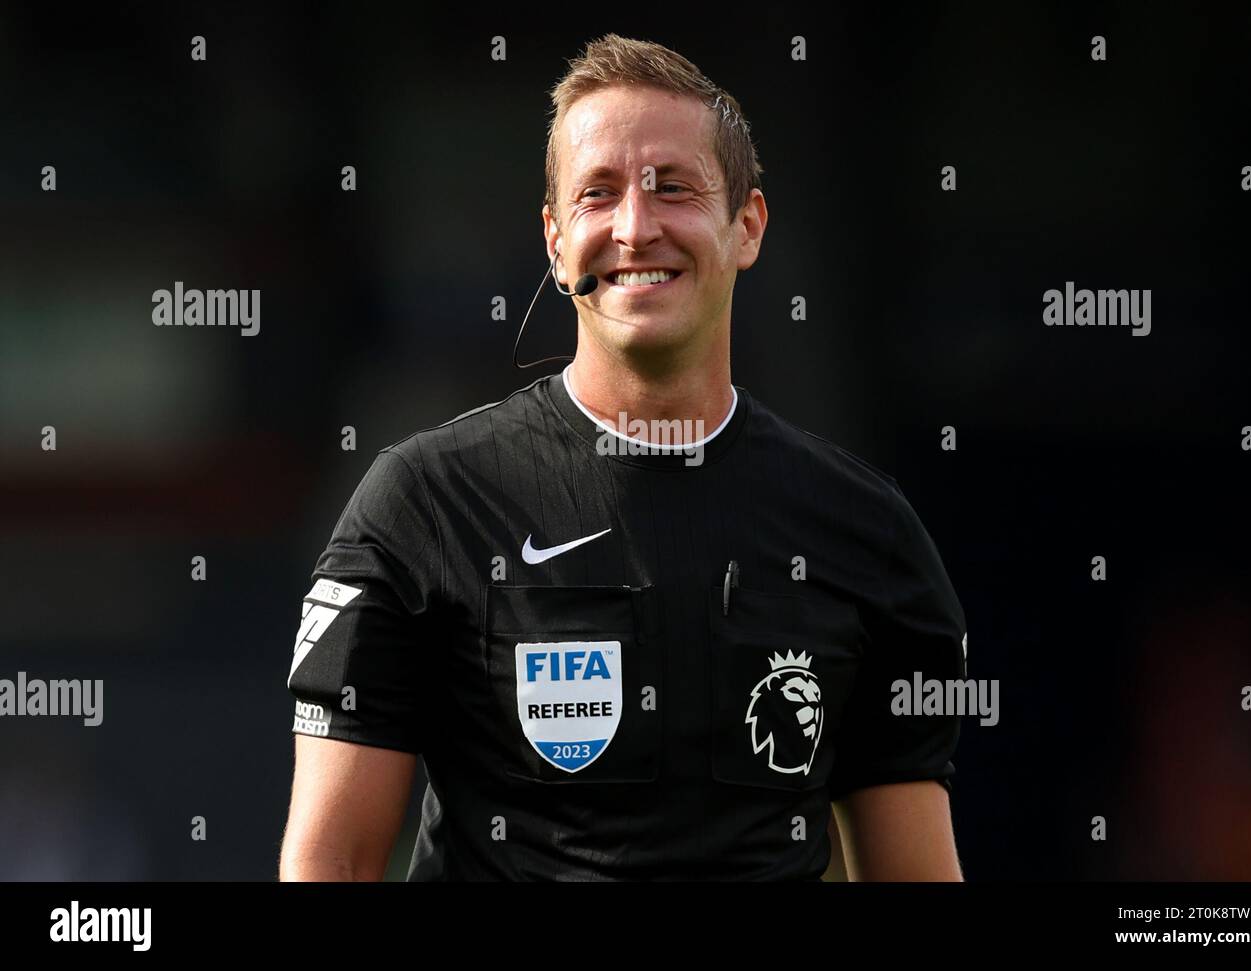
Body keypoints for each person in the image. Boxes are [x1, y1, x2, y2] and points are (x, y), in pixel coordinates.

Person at [280, 33, 967, 881]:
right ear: (555, 238)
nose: (635, 228)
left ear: (746, 225)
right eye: (597, 194)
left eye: (673, 188)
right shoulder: (424, 506)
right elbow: (329, 863)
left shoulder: (866, 532)